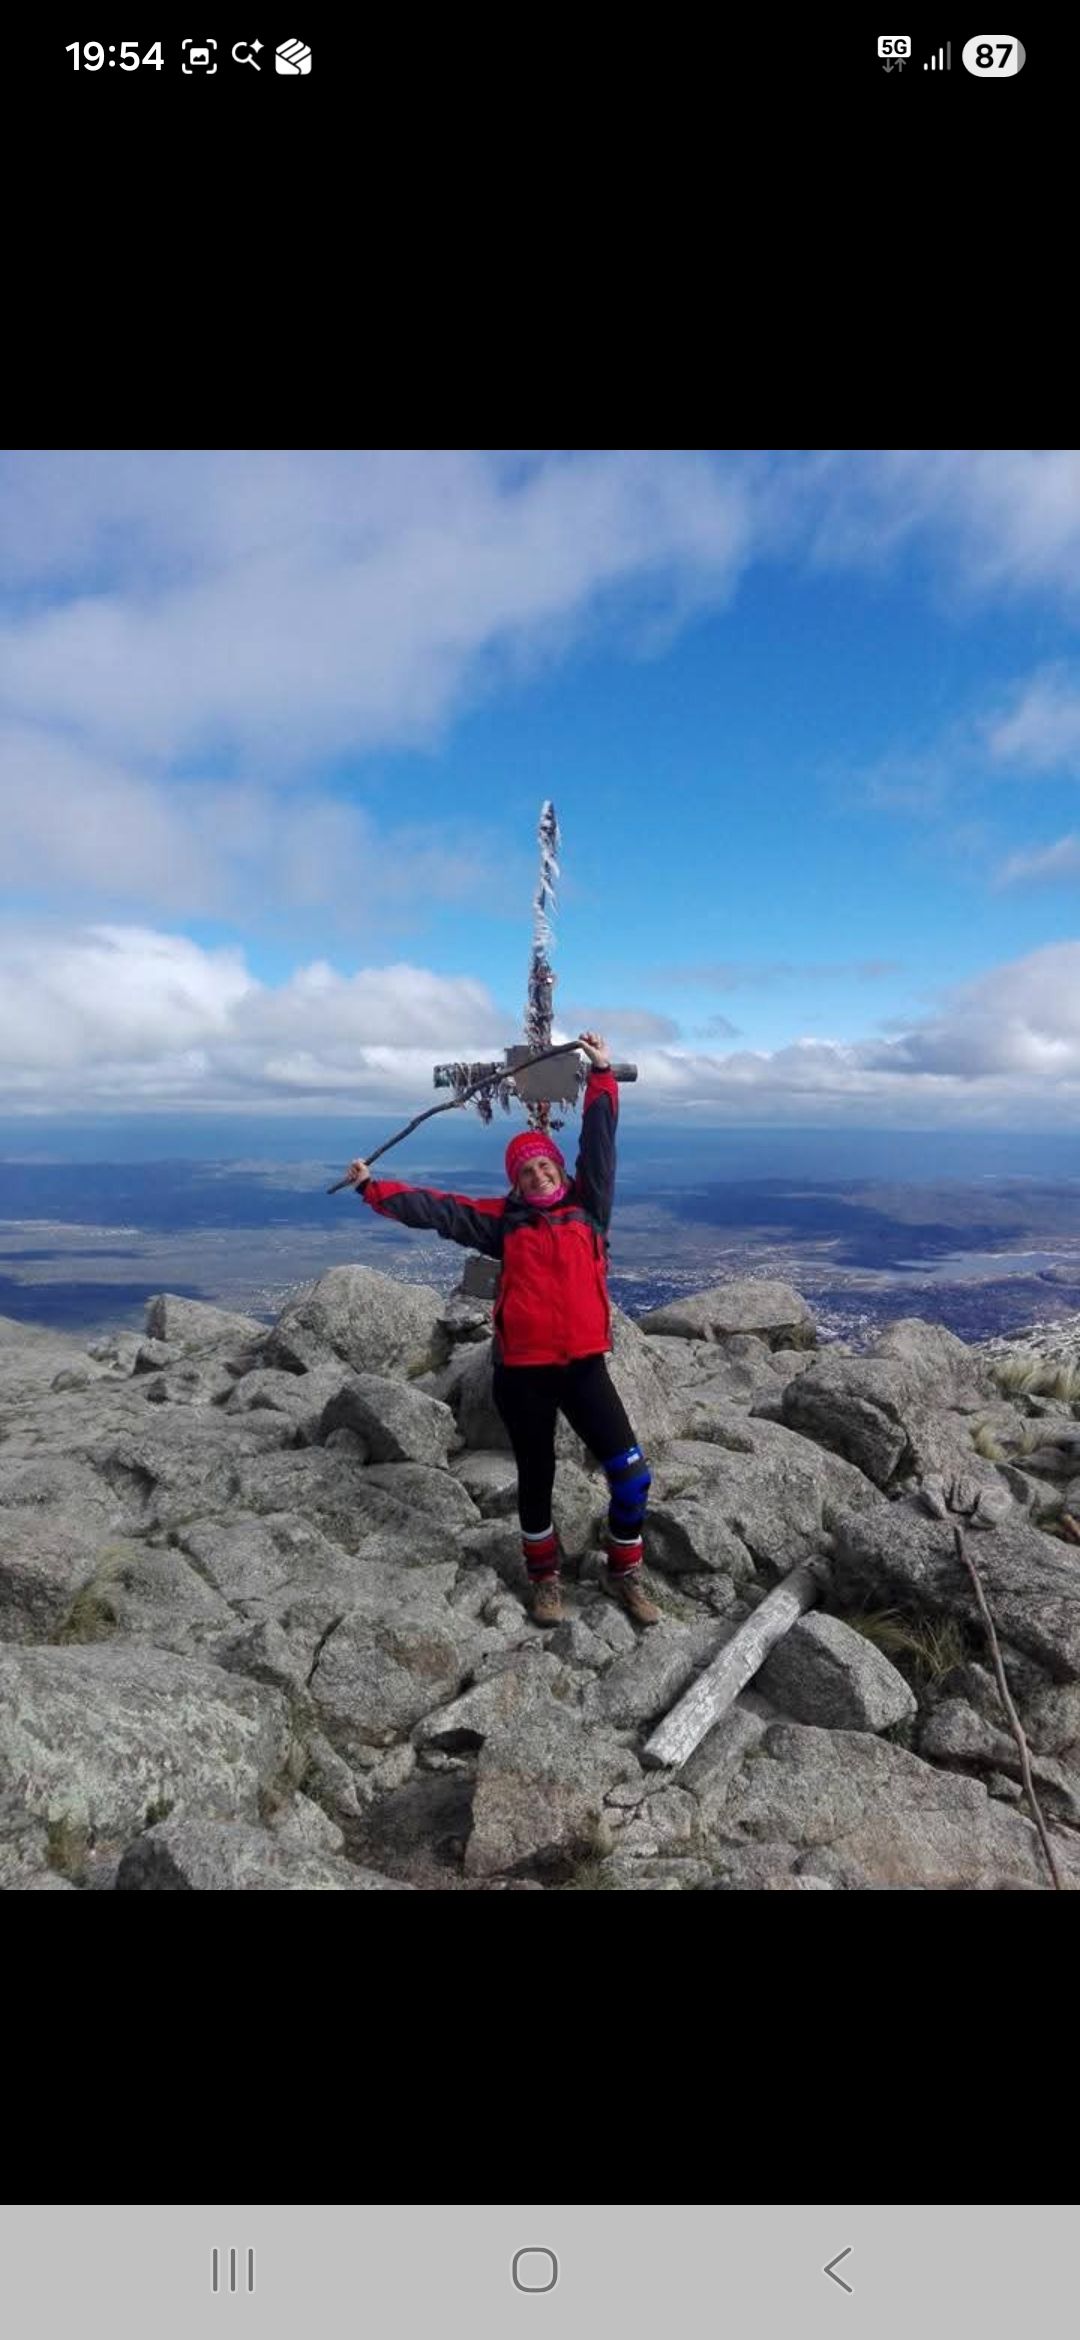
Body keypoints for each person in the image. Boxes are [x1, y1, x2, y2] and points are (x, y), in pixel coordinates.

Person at [342, 1031, 660, 1629]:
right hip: (524, 1374)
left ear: (558, 1169)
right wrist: (371, 1188)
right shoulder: (502, 1222)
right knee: (536, 1478)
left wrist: (602, 1075)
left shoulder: (589, 1206)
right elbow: (438, 1210)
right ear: (515, 1182)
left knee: (632, 1475)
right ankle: (544, 1581)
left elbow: (600, 1143)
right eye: (526, 1170)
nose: (538, 1174)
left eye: (544, 1165)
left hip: (585, 1365)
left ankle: (625, 1569)